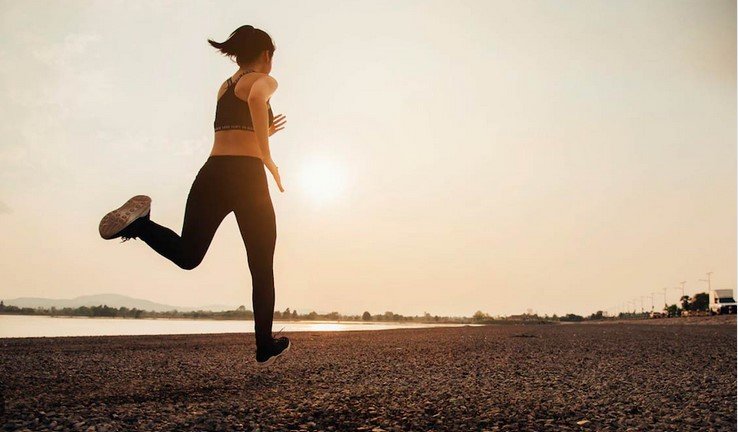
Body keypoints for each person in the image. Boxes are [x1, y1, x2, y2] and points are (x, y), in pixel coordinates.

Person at [97, 25, 290, 367]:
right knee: (262, 266)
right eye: (271, 56)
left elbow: (235, 128)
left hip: (213, 173)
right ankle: (263, 344)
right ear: (265, 55)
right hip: (247, 179)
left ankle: (140, 225)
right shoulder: (262, 79)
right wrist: (267, 157)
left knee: (188, 254)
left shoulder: (225, 87)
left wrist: (264, 134)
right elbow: (259, 99)